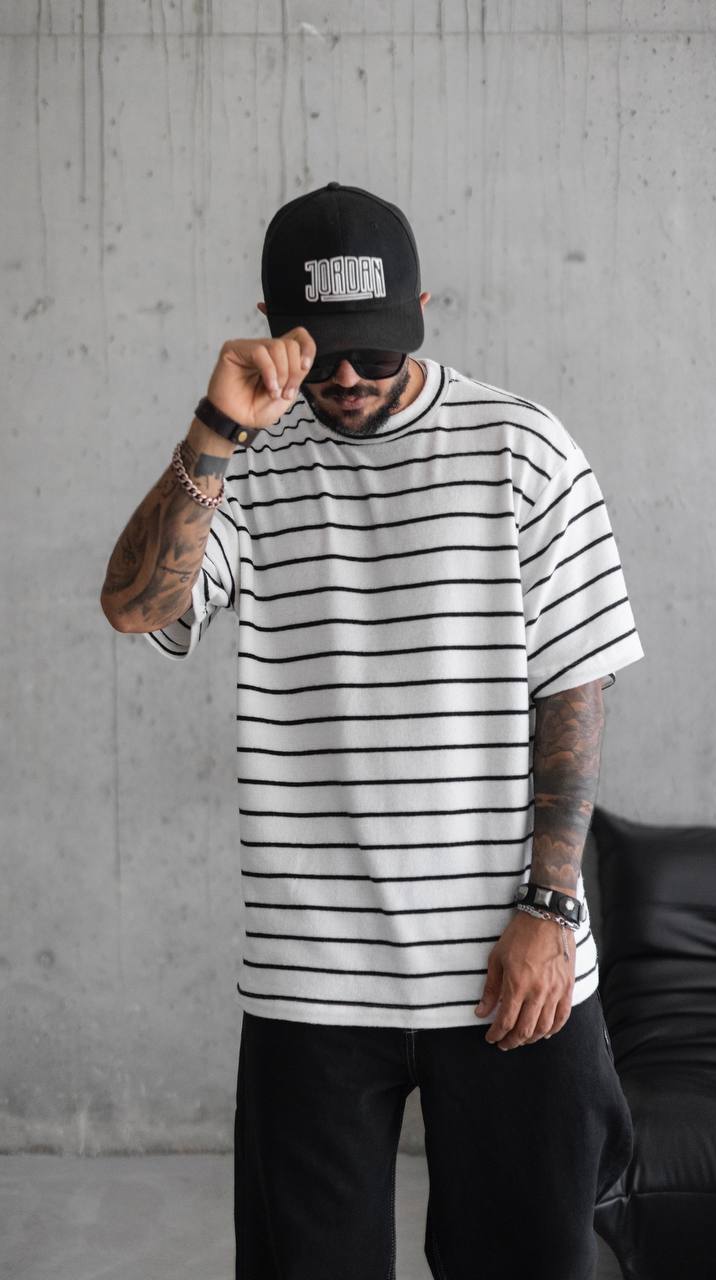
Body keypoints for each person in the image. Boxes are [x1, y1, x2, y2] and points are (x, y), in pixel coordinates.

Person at [100, 182, 644, 1280]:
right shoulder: (245, 461)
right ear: (271, 327)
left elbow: (572, 688)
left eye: (376, 350)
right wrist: (215, 429)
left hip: (510, 961)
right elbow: (137, 607)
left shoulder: (523, 447)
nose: (348, 377)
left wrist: (549, 905)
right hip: (311, 972)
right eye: (321, 352)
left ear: (421, 314)